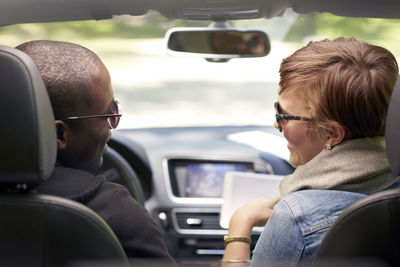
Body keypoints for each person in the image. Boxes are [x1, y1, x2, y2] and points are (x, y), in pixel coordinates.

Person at [222, 37, 399, 266]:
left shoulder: (297, 218)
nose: (277, 125)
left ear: (332, 134)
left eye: (284, 116)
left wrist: (240, 224)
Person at [16, 40, 176, 265]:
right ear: (60, 134)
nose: (112, 124)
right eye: (107, 114)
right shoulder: (112, 210)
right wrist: (236, 238)